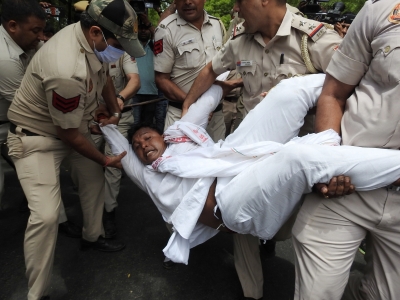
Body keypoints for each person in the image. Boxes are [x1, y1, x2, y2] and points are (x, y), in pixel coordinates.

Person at [101, 72, 400, 270]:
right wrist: (107, 125)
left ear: (162, 135)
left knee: (287, 91)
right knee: (299, 157)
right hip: (232, 204)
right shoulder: (147, 175)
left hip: (234, 155)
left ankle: (375, 79)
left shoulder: (181, 134)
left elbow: (203, 106)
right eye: (138, 146)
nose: (143, 145)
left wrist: (220, 83)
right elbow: (123, 150)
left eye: (146, 138)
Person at [182, 0, 343, 297]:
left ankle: (274, 241)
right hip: (251, 151)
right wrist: (187, 107)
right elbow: (209, 70)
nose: (236, 10)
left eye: (240, 3)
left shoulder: (313, 39)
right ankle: (251, 292)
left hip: (298, 156)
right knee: (238, 217)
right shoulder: (240, 41)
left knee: (294, 228)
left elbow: (345, 90)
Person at [6, 0, 145, 298]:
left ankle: (92, 236)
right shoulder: (65, 68)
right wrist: (105, 158)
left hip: (70, 129)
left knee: (93, 179)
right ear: (96, 32)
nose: (120, 51)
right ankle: (36, 293)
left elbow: (105, 77)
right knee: (44, 216)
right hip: (36, 139)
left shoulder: (87, 39)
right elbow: (68, 133)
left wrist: (114, 111)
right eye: (118, 44)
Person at [291, 1, 400, 299]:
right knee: (318, 293)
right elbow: (333, 94)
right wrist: (329, 164)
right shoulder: (383, 10)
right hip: (347, 187)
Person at [153, 0, 226, 143]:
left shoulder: (217, 25)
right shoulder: (165, 29)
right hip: (182, 115)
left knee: (217, 162)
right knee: (179, 163)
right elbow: (161, 79)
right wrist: (194, 105)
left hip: (215, 117)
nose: (187, 2)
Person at [92, 51, 140, 238]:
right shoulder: (81, 52)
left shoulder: (122, 52)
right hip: (89, 117)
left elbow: (134, 80)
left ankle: (108, 211)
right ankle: (92, 209)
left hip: (119, 116)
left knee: (114, 164)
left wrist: (117, 100)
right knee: (87, 162)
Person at [132, 13, 167, 134]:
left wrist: (148, 22)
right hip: (134, 93)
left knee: (148, 124)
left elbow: (160, 36)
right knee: (135, 123)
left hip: (152, 93)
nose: (143, 31)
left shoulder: (154, 46)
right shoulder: (132, 46)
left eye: (145, 29)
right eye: (140, 28)